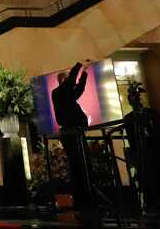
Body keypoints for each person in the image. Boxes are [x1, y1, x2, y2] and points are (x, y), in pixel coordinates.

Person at [123, 80, 160, 215]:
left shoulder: (150, 112)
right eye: (134, 99)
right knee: (148, 178)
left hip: (155, 149)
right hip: (143, 152)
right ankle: (155, 205)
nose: (137, 101)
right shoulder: (129, 118)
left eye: (138, 98)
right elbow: (131, 139)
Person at [51, 60, 94, 217]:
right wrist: (79, 65)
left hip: (76, 131)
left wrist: (84, 73)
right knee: (77, 165)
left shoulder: (68, 95)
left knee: (83, 164)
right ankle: (81, 201)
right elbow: (71, 83)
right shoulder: (58, 93)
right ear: (63, 81)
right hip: (69, 133)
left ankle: (86, 199)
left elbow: (79, 88)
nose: (70, 82)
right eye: (68, 80)